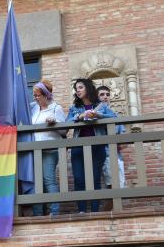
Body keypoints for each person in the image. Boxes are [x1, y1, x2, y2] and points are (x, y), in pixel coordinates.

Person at [66, 78, 117, 213]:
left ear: (88, 88)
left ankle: (94, 210)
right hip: (78, 146)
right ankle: (82, 210)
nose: (78, 90)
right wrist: (79, 117)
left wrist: (98, 115)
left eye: (81, 87)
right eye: (76, 88)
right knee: (79, 179)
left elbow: (114, 118)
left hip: (96, 145)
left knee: (95, 178)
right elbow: (66, 122)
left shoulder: (101, 106)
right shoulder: (74, 107)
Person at [28, 79, 66, 216]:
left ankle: (54, 212)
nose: (35, 98)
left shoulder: (56, 108)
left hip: (50, 150)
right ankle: (38, 213)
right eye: (34, 95)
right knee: (36, 182)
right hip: (34, 150)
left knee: (48, 180)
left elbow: (64, 132)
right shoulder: (33, 108)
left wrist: (54, 123)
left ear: (46, 95)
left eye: (38, 95)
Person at [97, 85, 126, 189]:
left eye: (108, 95)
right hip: (105, 156)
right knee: (112, 188)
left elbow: (123, 136)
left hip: (117, 156)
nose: (105, 97)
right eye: (102, 94)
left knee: (120, 189)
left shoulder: (116, 115)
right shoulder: (95, 114)